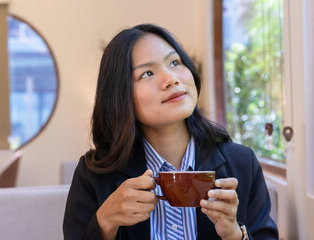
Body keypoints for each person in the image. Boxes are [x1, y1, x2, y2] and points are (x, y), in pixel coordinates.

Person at [63, 23, 278, 240]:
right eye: (147, 73)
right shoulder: (93, 175)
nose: (171, 79)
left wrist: (234, 234)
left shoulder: (242, 163)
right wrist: (105, 222)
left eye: (174, 62)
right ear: (120, 96)